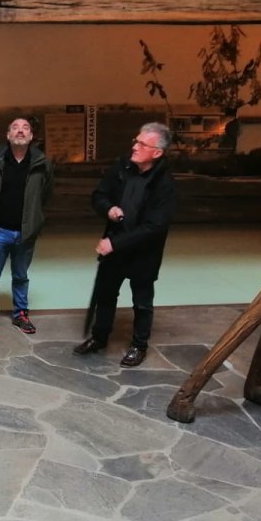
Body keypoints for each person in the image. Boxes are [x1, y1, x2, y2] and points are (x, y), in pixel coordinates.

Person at [73, 122, 177, 368]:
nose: (135, 146)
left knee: (142, 301)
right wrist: (108, 209)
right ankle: (99, 337)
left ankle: (139, 346)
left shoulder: (165, 184)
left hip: (143, 252)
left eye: (142, 144)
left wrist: (114, 244)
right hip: (115, 245)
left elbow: (154, 226)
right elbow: (99, 195)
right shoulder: (122, 167)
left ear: (157, 152)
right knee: (105, 294)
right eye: (136, 140)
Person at [0, 117, 53, 336]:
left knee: (21, 276)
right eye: (15, 128)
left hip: (25, 232)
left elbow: (45, 194)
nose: (20, 131)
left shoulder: (41, 163)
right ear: (8, 135)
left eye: (25, 127)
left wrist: (34, 219)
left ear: (31, 137)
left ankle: (21, 315)